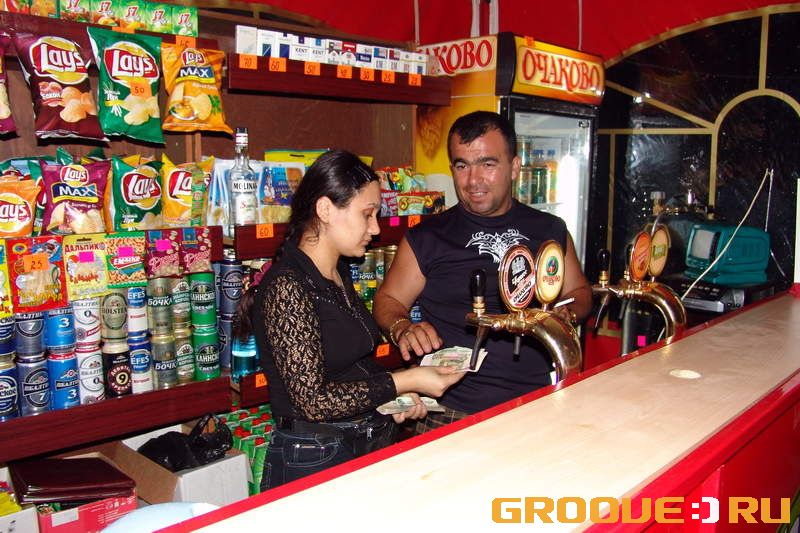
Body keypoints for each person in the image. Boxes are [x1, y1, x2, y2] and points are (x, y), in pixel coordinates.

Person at [238, 149, 464, 489]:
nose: (375, 228)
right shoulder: (287, 286)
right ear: (325, 209)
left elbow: (348, 368)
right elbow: (312, 401)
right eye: (367, 214)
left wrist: (389, 401)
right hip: (314, 459)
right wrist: (406, 380)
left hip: (361, 444)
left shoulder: (338, 272)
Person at [374, 111, 593, 433]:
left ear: (514, 167)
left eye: (487, 164)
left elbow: (579, 292)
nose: (473, 181)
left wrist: (565, 315)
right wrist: (403, 327)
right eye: (462, 166)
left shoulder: (549, 229)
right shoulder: (428, 236)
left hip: (538, 402)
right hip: (451, 410)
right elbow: (389, 299)